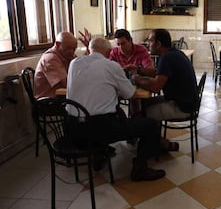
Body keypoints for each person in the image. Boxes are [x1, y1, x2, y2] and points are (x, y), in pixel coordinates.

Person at [66, 37, 165, 181]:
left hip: (72, 130)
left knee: (115, 111)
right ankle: (140, 170)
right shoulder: (110, 66)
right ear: (109, 52)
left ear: (90, 50)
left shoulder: (74, 63)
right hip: (98, 129)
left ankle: (99, 154)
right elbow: (131, 94)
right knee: (149, 124)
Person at [132, 29, 198, 143]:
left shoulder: (166, 58)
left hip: (182, 107)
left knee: (143, 114)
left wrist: (136, 79)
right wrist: (139, 70)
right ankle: (158, 143)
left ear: (158, 44)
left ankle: (156, 147)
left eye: (150, 41)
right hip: (186, 102)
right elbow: (159, 73)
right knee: (144, 103)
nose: (148, 44)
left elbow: (155, 87)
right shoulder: (174, 53)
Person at [34, 32, 78, 99]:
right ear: (57, 44)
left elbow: (82, 68)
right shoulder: (50, 59)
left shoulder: (67, 55)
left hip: (62, 97)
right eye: (68, 48)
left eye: (74, 49)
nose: (72, 52)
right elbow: (66, 83)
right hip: (49, 101)